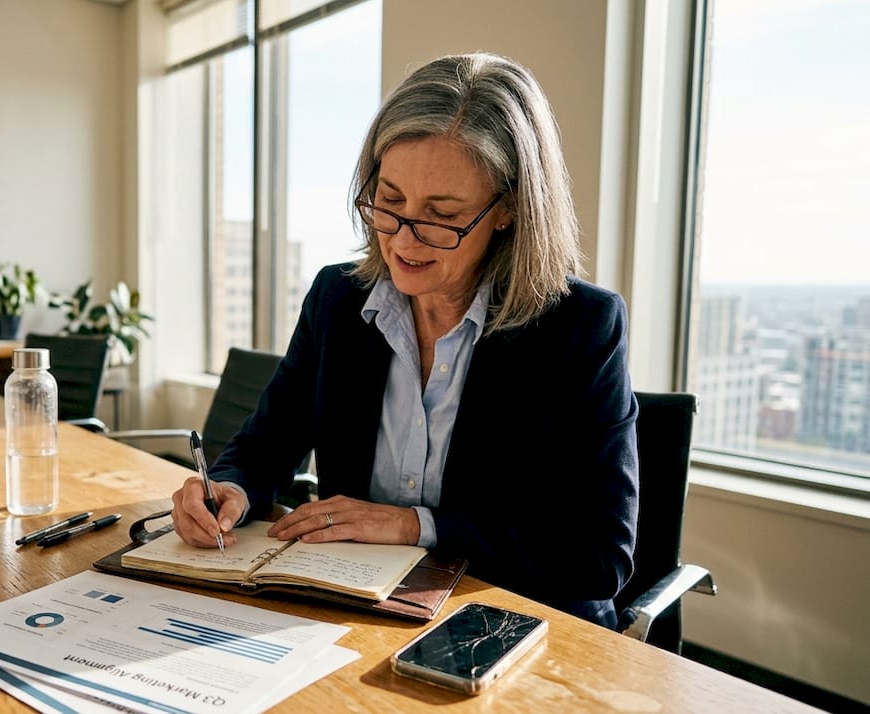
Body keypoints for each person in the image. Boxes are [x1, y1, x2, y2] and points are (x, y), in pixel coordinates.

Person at [170, 52, 639, 628]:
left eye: (441, 216)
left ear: (509, 209)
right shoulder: (337, 301)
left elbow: (597, 558)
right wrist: (229, 489)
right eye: (389, 201)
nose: (403, 239)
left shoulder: (579, 329)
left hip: (519, 628)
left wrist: (415, 525)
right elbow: (266, 444)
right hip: (359, 612)